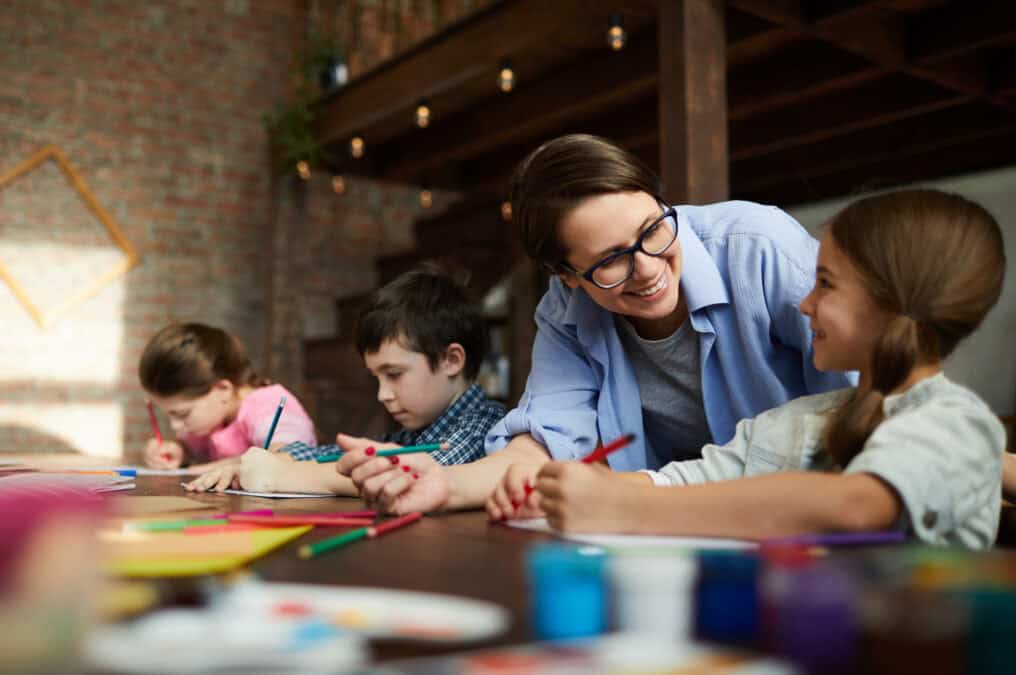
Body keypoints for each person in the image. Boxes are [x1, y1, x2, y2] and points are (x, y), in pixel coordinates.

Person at [339, 133, 853, 516]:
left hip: (807, 511)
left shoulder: (760, 251)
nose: (649, 267)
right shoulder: (566, 313)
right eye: (612, 259)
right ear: (565, 276)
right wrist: (445, 485)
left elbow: (866, 401)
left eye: (653, 229)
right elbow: (544, 442)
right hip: (670, 522)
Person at [532, 189, 1006, 549]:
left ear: (890, 300)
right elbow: (691, 479)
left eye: (825, 283)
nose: (803, 302)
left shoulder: (955, 423)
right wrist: (576, 490)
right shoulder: (801, 420)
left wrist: (626, 506)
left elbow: (856, 506)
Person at [185, 265, 507, 496]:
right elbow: (335, 457)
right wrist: (270, 460)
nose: (382, 394)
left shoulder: (485, 427)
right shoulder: (417, 431)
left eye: (394, 374)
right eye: (377, 378)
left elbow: (415, 476)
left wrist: (288, 475)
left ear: (452, 360)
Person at [138, 322, 316, 473]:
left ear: (222, 390)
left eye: (183, 414)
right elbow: (192, 448)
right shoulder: (213, 418)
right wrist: (177, 451)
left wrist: (206, 469)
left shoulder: (267, 405)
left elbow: (290, 455)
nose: (175, 425)